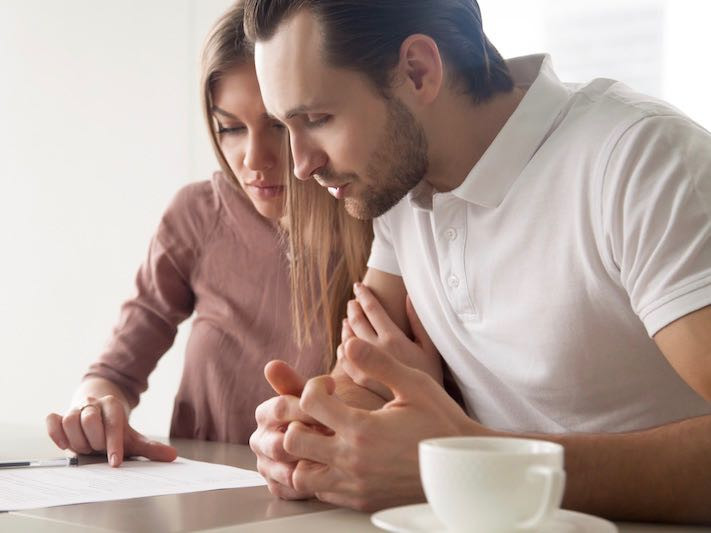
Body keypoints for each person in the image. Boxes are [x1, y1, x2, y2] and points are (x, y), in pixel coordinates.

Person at [243, 0, 711, 524]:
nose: (301, 165)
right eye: (289, 127)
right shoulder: (399, 188)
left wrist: (467, 458)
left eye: (318, 119)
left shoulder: (638, 161)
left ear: (418, 71)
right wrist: (318, 434)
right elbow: (363, 382)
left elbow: (440, 445)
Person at [45, 1, 372, 468]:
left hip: (326, 494)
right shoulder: (197, 214)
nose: (253, 160)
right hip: (203, 495)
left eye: (277, 126)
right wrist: (95, 408)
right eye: (230, 128)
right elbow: (113, 372)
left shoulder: (378, 221)